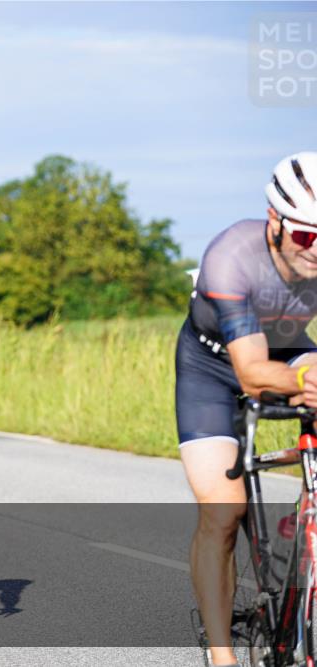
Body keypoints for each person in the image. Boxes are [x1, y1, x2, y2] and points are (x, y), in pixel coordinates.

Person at [176, 151, 317, 667]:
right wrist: (303, 382)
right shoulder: (231, 256)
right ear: (275, 222)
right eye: (305, 235)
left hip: (287, 349)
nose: (316, 250)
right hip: (212, 371)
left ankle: (304, 529)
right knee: (224, 511)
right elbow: (253, 373)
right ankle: (222, 656)